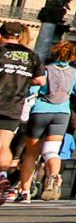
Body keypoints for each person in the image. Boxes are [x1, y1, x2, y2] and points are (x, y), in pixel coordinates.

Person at [17, 41, 76, 200]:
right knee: (51, 151)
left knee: (31, 153)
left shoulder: (46, 70)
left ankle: (25, 192)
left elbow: (32, 90)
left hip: (40, 111)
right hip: (62, 114)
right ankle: (54, 176)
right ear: (73, 57)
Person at [0, 24, 37, 195]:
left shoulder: (1, 50)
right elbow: (41, 80)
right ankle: (1, 175)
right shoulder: (31, 56)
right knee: (4, 145)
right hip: (14, 104)